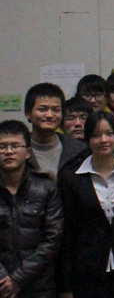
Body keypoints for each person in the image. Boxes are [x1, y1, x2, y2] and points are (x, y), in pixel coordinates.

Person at [57, 111, 114, 297]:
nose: (104, 140)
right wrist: (65, 285)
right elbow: (67, 232)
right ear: (87, 139)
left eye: (109, 134)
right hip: (86, 272)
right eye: (96, 135)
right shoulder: (71, 177)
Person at [0, 120, 63, 298]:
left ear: (28, 152)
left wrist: (18, 279)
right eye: (2, 146)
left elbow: (53, 240)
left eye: (15, 146)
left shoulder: (47, 189)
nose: (9, 151)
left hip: (39, 287)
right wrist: (5, 281)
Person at [24, 83, 89, 178]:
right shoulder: (17, 150)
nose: (49, 115)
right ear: (28, 113)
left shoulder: (80, 150)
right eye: (42, 110)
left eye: (56, 110)